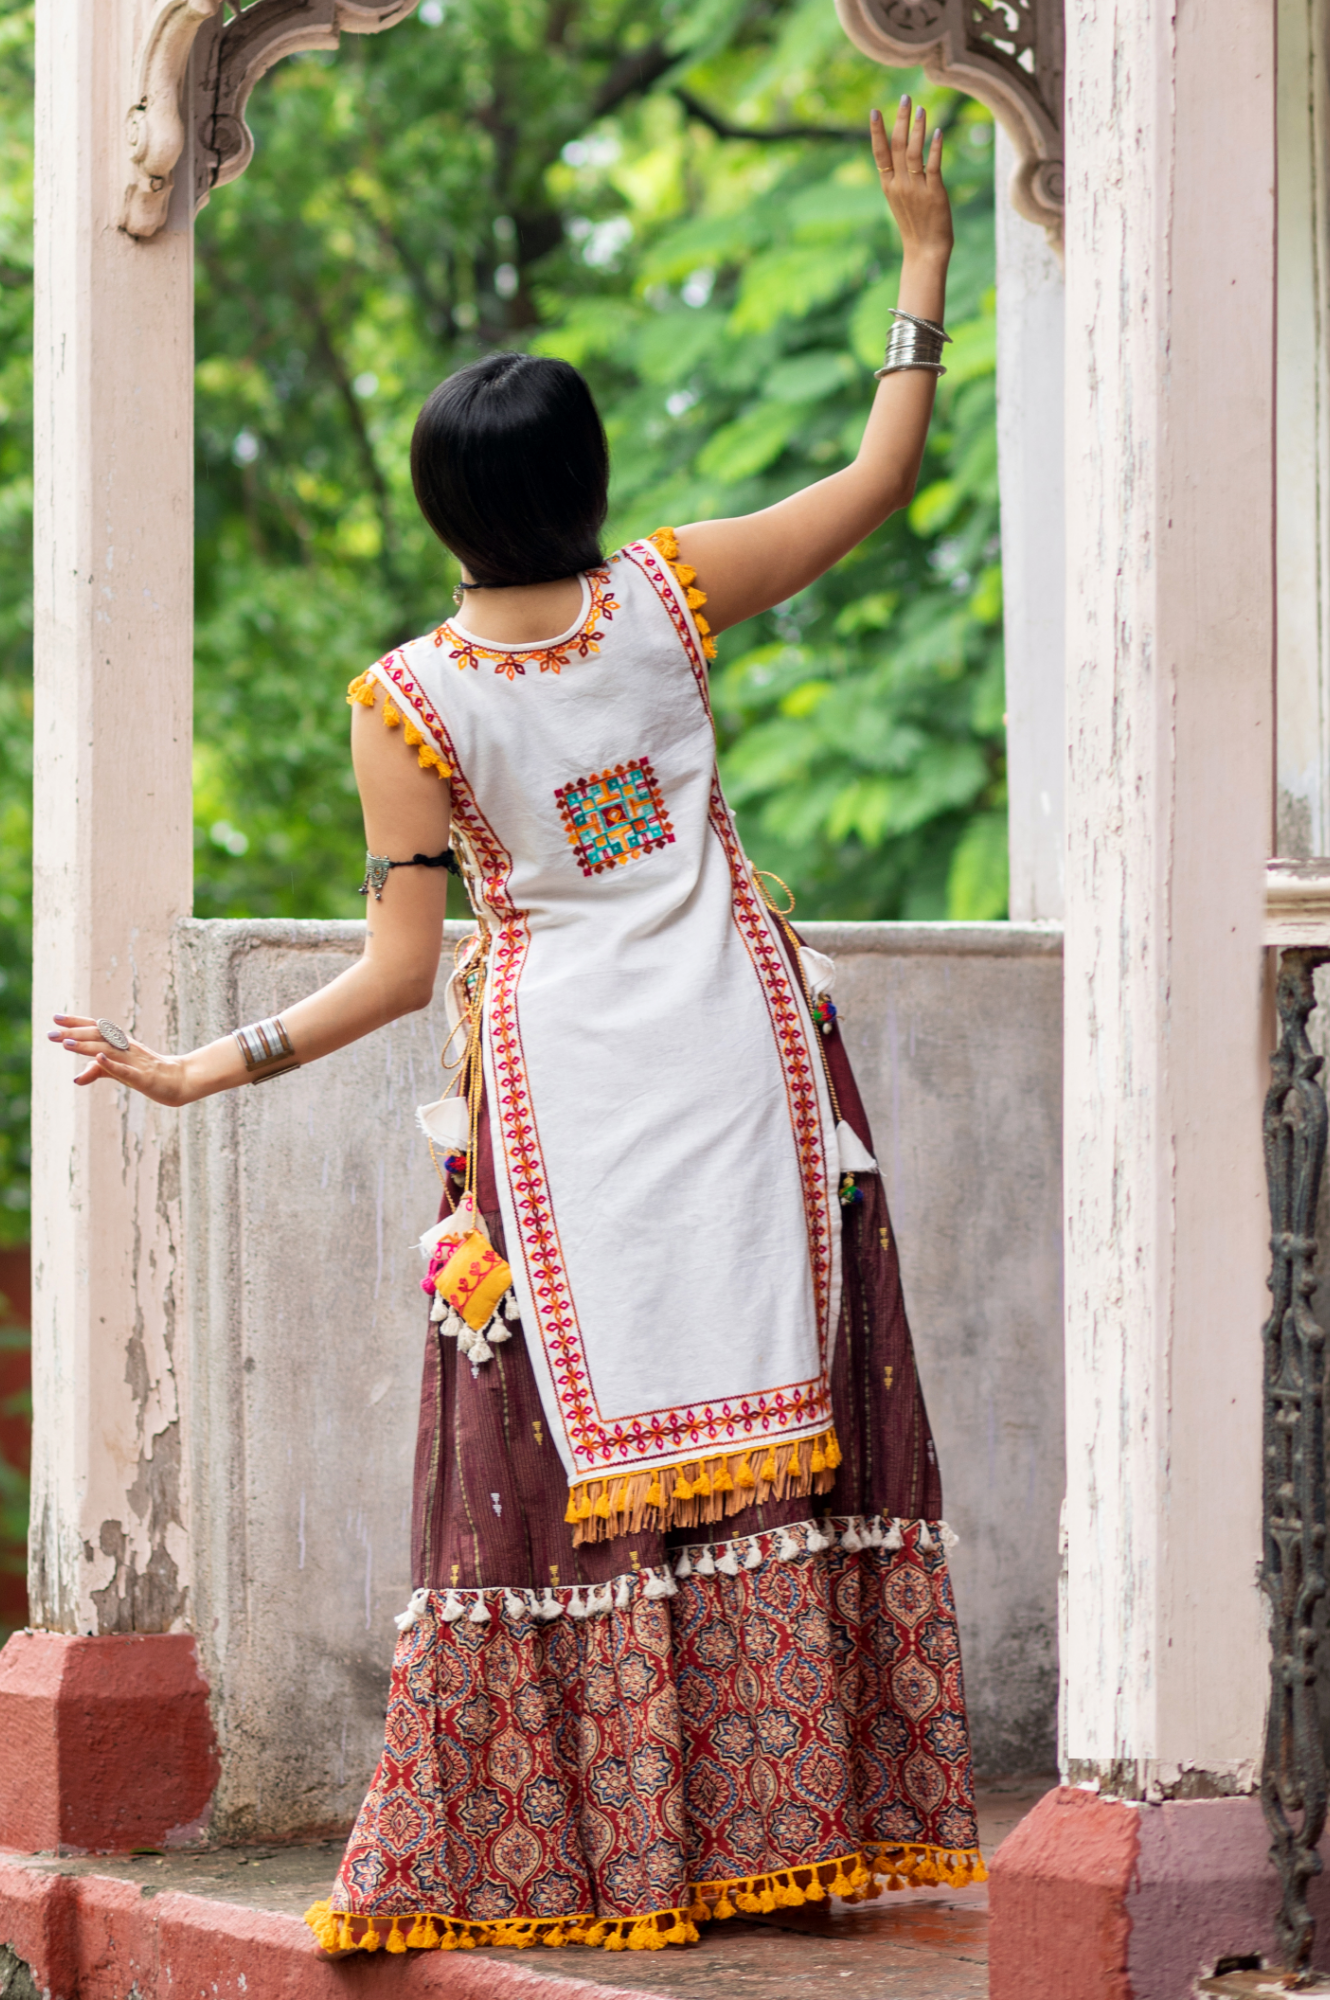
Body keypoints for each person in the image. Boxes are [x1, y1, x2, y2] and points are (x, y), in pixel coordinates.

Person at [50, 98, 982, 1957]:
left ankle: (606, 1858)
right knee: (785, 1431)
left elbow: (401, 976)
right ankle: (789, 1840)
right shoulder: (670, 593)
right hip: (754, 1074)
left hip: (563, 1122)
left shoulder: (408, 703)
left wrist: (201, 1069)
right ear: (588, 474)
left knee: (569, 1467)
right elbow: (878, 483)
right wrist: (920, 262)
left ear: (438, 511)